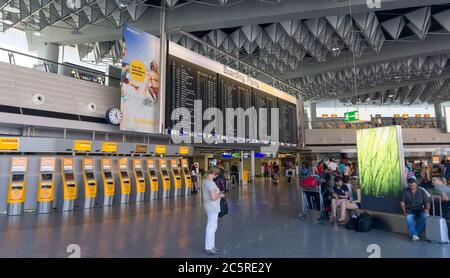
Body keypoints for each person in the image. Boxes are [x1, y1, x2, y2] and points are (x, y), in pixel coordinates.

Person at [203, 167, 225, 255]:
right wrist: (220, 196)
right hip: (212, 207)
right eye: (216, 175)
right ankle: (209, 247)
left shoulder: (205, 181)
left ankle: (211, 246)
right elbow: (213, 197)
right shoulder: (211, 183)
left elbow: (210, 194)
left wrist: (218, 193)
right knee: (211, 227)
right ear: (215, 174)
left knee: (212, 226)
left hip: (208, 205)